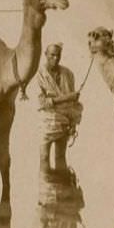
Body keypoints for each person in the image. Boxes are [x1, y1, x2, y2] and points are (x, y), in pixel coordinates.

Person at [37, 43, 82, 172]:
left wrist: (73, 123)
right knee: (44, 158)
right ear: (45, 55)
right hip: (46, 122)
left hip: (65, 122)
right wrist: (67, 98)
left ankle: (62, 189)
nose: (55, 58)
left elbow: (73, 105)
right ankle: (45, 188)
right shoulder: (38, 74)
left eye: (58, 55)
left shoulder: (68, 74)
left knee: (61, 157)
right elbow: (41, 102)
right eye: (52, 55)